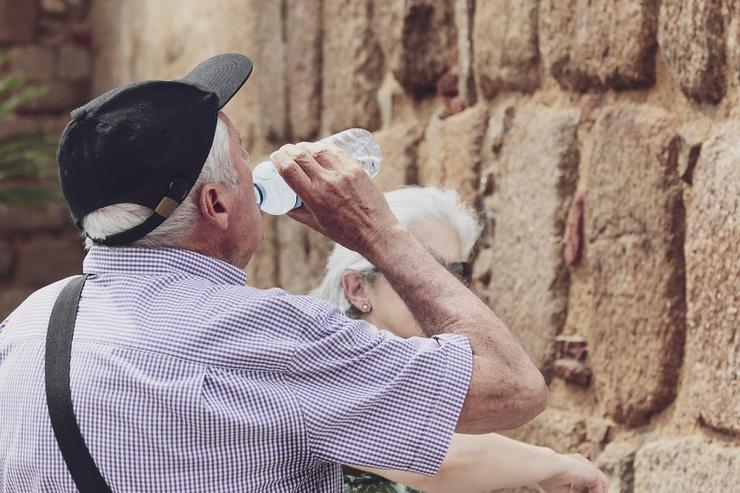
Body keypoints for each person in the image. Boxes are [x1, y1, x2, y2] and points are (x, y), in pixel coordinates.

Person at [0, 53, 548, 492]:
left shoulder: (25, 329)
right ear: (216, 204)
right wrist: (377, 233)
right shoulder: (265, 334)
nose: (257, 166)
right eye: (244, 155)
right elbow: (513, 388)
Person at [312, 187, 608, 493]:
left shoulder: (422, 377)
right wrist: (553, 465)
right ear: (357, 289)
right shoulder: (328, 366)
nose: (443, 287)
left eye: (456, 272)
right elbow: (435, 458)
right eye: (416, 269)